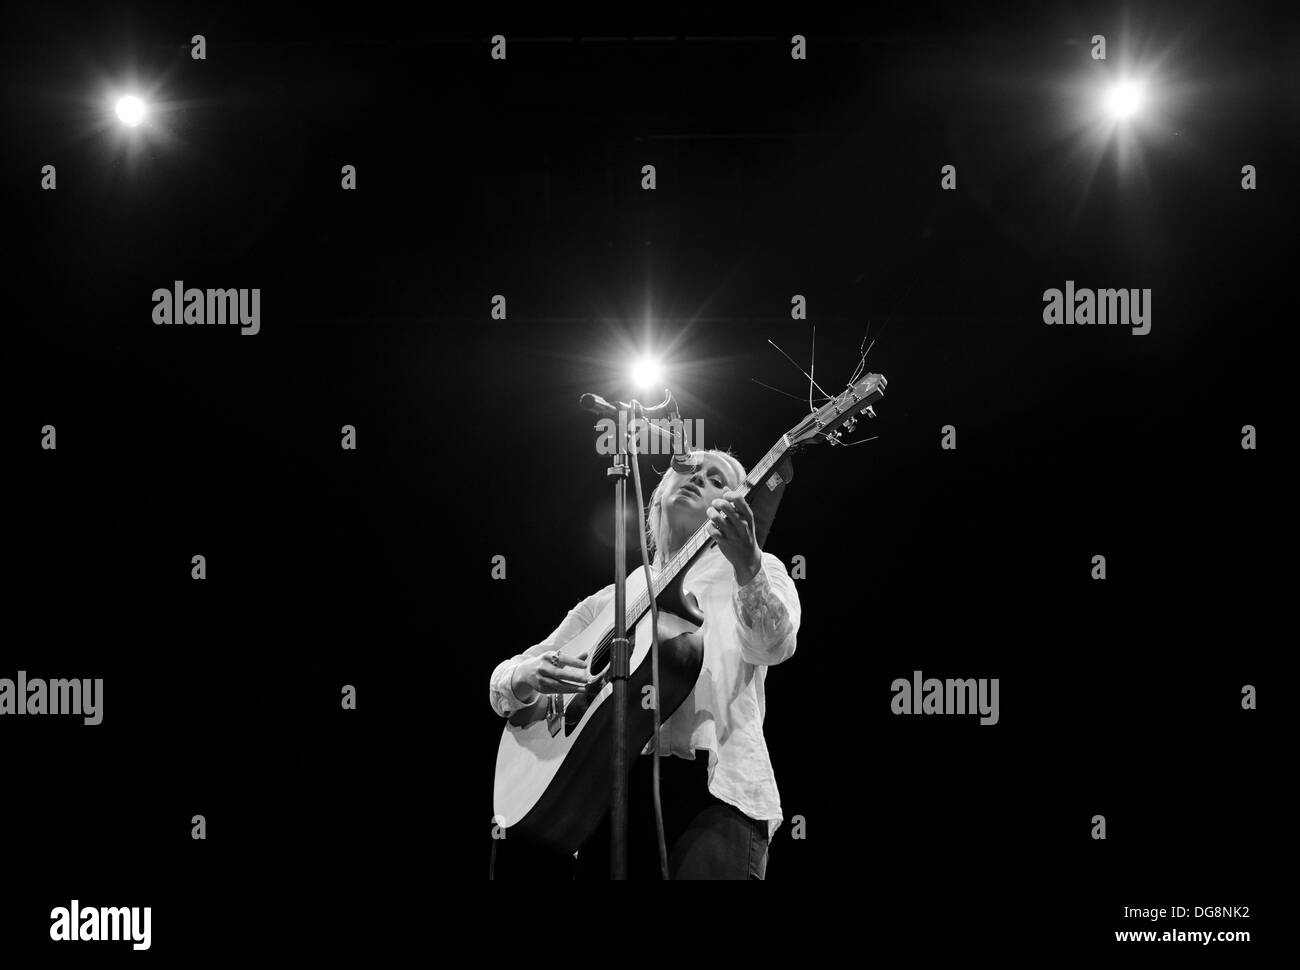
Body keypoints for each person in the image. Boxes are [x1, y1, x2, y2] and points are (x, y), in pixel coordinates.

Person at [488, 448, 801, 879]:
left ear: (734, 507)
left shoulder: (757, 568)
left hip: (714, 794)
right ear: (656, 499)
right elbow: (503, 682)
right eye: (689, 471)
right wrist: (525, 675)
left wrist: (747, 563)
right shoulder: (611, 598)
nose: (698, 478)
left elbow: (775, 646)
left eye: (716, 480)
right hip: (607, 796)